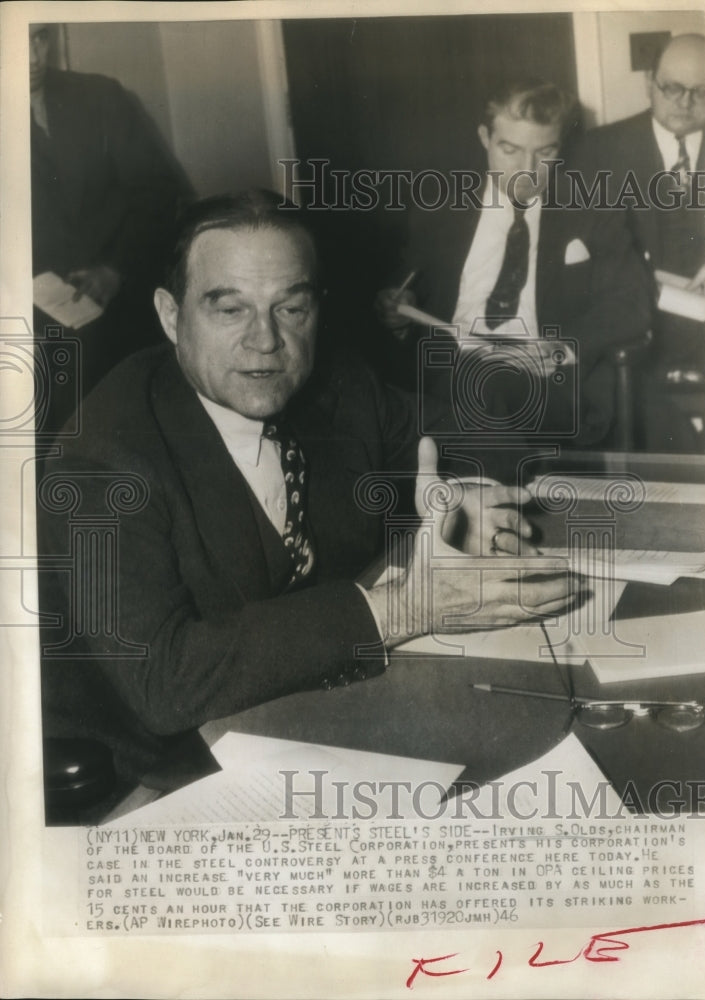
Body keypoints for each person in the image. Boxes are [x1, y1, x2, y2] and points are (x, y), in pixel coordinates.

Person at [38, 191, 576, 790]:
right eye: (230, 310)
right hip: (164, 772)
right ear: (171, 316)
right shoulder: (103, 460)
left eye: (290, 309)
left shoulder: (333, 382)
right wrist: (397, 609)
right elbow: (165, 683)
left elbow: (490, 443)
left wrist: (460, 494)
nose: (266, 341)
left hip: (318, 714)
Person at [376, 77, 652, 448]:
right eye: (510, 149)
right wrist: (397, 315)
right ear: (484, 138)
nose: (527, 169)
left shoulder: (593, 210)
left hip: (543, 381)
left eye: (545, 154)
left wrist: (560, 348)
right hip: (445, 367)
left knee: (482, 385)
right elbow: (405, 294)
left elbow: (630, 303)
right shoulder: (440, 212)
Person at [29, 23, 193, 432]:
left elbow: (157, 192)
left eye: (40, 37)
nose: (34, 57)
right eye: (14, 43)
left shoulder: (100, 96)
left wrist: (116, 269)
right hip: (31, 330)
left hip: (122, 304)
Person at [570, 34, 705, 451]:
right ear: (650, 81)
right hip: (637, 331)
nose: (685, 102)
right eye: (673, 88)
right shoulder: (597, 150)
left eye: (702, 92)